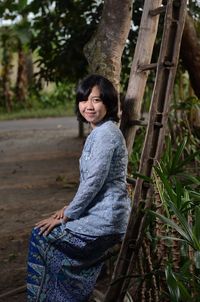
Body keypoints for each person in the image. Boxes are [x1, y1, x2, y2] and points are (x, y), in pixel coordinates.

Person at [27, 74, 131, 302]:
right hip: (101, 217)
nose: (88, 106)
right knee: (45, 235)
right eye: (84, 100)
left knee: (41, 236)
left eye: (96, 100)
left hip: (105, 222)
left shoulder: (106, 134)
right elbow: (93, 183)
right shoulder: (101, 132)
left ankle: (58, 297)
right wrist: (69, 208)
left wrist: (68, 216)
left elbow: (94, 181)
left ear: (108, 102)